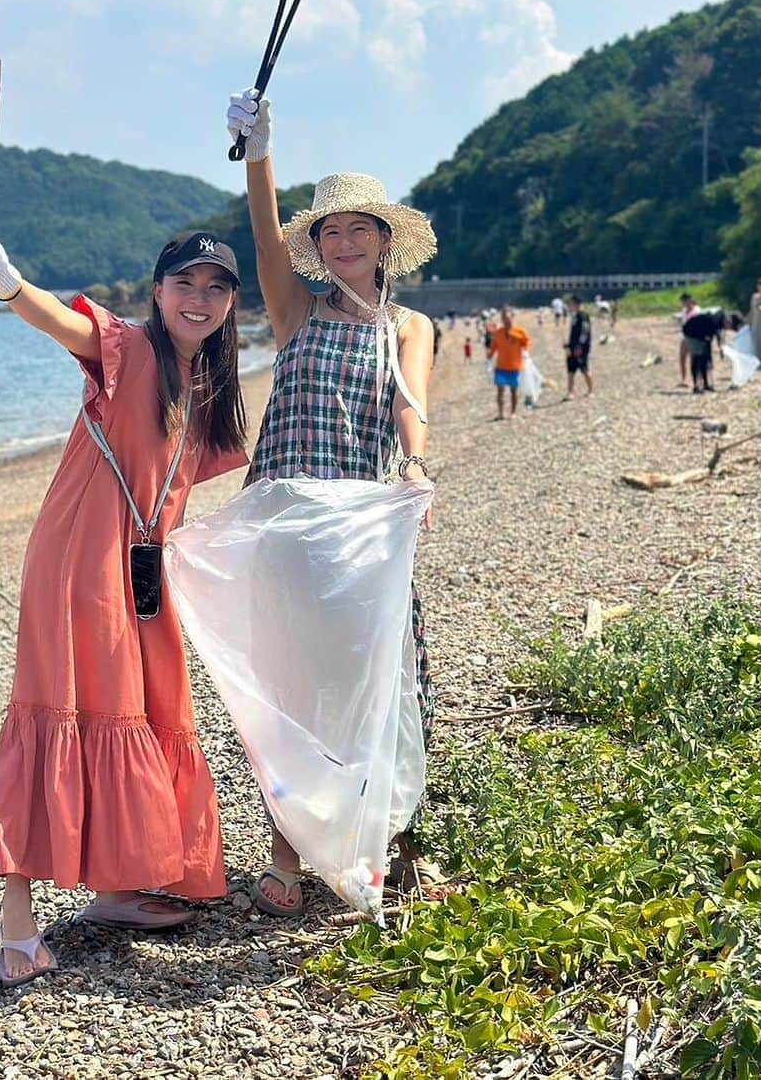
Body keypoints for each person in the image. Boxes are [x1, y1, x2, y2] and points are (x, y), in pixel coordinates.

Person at [0, 228, 248, 985]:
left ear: (231, 304)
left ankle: (116, 887)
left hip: (145, 567)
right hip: (80, 560)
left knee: (147, 708)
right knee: (57, 710)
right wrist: (12, 283)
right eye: (186, 283)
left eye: (217, 288)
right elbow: (66, 323)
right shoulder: (132, 350)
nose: (200, 299)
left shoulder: (207, 380)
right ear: (157, 291)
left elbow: (185, 485)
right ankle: (16, 924)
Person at [226, 88, 439, 913]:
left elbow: (410, 410)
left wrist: (415, 468)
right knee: (295, 689)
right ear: (316, 246)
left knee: (390, 681)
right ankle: (287, 848)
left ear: (384, 240)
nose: (344, 241)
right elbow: (259, 229)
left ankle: (403, 843)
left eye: (359, 227)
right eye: (330, 230)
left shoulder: (409, 326)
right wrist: (259, 150)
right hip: (287, 532)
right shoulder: (296, 311)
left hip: (362, 534)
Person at [681, 308, 743, 393]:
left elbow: (718, 335)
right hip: (692, 333)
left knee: (705, 359)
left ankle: (706, 384)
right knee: (698, 358)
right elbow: (709, 336)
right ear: (729, 320)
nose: (728, 328)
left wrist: (719, 347)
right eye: (730, 327)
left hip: (701, 334)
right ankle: (697, 386)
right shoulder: (714, 320)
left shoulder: (721, 316)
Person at [487, 306, 531, 420]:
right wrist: (489, 356)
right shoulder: (498, 333)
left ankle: (513, 412)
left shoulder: (520, 332)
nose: (505, 320)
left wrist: (514, 336)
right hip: (501, 367)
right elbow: (493, 347)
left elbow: (526, 344)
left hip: (515, 367)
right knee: (500, 391)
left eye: (507, 318)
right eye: (503, 318)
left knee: (513, 391)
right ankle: (501, 413)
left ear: (512, 317)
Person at [564, 295, 593, 399]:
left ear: (576, 304)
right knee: (570, 370)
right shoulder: (574, 316)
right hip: (572, 347)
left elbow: (585, 332)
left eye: (571, 304)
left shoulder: (583, 316)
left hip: (581, 349)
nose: (570, 306)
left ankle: (590, 390)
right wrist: (567, 345)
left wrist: (579, 346)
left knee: (584, 369)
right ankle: (570, 392)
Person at [678, 292, 701, 387]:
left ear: (690, 300)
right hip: (685, 336)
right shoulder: (684, 311)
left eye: (685, 301)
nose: (684, 303)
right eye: (683, 302)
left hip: (695, 337)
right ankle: (684, 379)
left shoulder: (697, 310)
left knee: (693, 359)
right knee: (682, 357)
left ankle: (694, 379)